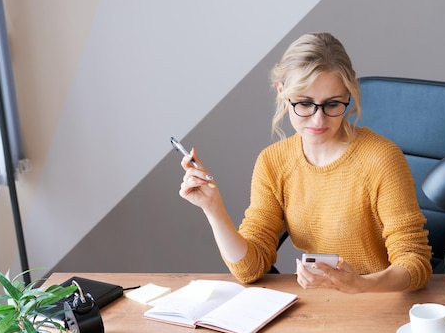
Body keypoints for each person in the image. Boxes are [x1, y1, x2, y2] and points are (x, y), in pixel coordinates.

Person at [178, 32, 432, 293]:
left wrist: (360, 284)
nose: (318, 120)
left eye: (333, 104)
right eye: (304, 103)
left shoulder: (381, 158)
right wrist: (213, 209)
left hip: (379, 303)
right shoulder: (273, 162)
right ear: (282, 91)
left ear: (348, 95)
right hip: (321, 305)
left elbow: (415, 262)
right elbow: (249, 269)